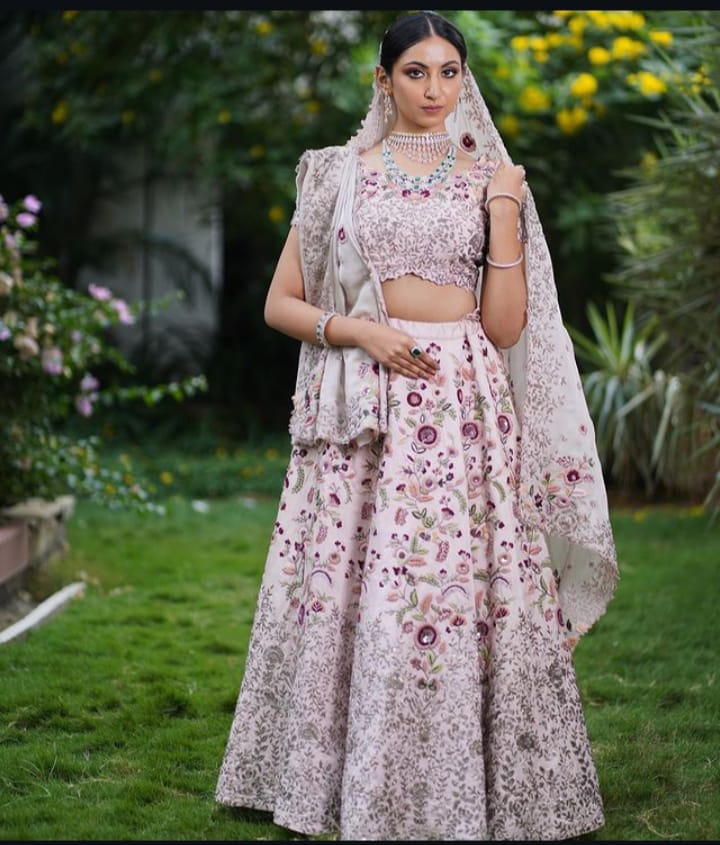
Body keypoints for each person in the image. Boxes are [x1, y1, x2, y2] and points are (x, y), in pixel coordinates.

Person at [216, 10, 618, 841]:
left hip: (461, 403)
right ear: (383, 80)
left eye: (448, 73)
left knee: (453, 589)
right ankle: (347, 776)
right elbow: (281, 303)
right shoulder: (338, 174)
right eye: (415, 73)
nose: (434, 90)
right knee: (364, 582)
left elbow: (505, 328)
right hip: (368, 400)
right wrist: (361, 332)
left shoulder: (491, 179)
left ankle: (469, 780)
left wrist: (504, 213)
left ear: (463, 79)